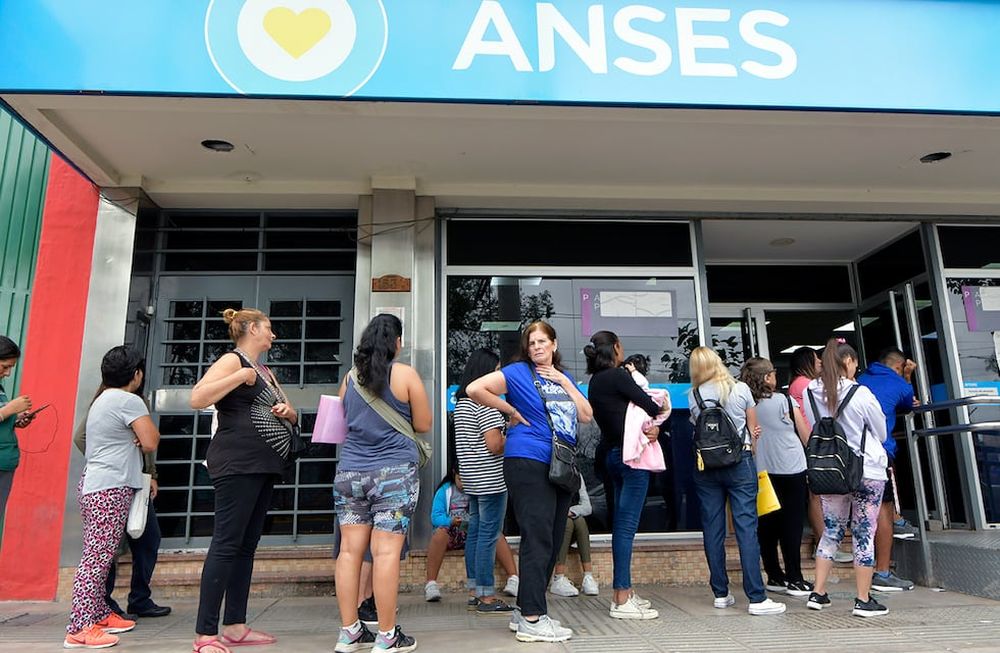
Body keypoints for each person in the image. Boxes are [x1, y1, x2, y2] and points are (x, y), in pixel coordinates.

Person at [468, 320, 593, 643]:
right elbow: (474, 389)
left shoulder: (562, 377)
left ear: (553, 344)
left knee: (551, 539)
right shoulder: (518, 372)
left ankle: (524, 608)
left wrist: (564, 380)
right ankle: (533, 619)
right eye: (531, 342)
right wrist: (509, 409)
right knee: (537, 538)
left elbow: (586, 415)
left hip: (561, 464)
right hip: (527, 459)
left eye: (542, 342)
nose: (537, 347)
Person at [191, 308, 297, 653]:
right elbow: (198, 398)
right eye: (268, 329)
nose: (273, 335)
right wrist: (239, 378)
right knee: (226, 544)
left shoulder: (265, 370)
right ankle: (206, 634)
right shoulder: (233, 361)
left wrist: (288, 413)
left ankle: (235, 624)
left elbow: (289, 410)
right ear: (252, 328)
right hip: (237, 464)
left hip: (263, 465)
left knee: (246, 546)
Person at [333, 313, 430, 653]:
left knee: (348, 552)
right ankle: (387, 636)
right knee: (385, 553)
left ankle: (350, 633)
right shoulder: (403, 374)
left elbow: (339, 426)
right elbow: (423, 423)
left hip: (350, 474)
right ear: (396, 342)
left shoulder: (349, 378)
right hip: (393, 475)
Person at [64, 347, 160, 650]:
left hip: (97, 484)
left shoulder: (103, 399)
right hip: (110, 488)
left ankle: (101, 613)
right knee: (96, 559)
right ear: (136, 374)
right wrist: (139, 435)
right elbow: (151, 441)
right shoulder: (128, 400)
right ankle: (79, 627)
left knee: (102, 557)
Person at [688, 346, 786, 616]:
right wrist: (750, 450)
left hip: (706, 467)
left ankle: (721, 593)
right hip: (739, 463)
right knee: (746, 527)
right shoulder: (740, 389)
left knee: (713, 529)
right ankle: (756, 597)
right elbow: (753, 430)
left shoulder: (693, 396)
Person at [803, 338, 891, 618]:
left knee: (831, 530)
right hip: (867, 470)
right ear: (848, 362)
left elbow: (814, 423)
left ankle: (817, 593)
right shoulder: (860, 393)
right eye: (855, 362)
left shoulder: (809, 392)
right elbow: (881, 431)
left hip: (831, 470)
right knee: (864, 532)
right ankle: (863, 599)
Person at [585, 331, 664, 619]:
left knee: (621, 524)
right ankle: (620, 596)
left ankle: (625, 592)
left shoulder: (595, 382)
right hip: (631, 458)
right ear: (616, 348)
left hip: (611, 457)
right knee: (626, 527)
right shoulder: (618, 376)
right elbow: (652, 406)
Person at [74, 397, 171, 620]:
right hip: (111, 484)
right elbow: (80, 437)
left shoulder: (132, 400)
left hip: (136, 481)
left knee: (148, 538)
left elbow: (147, 444)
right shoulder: (111, 401)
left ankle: (139, 599)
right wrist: (107, 456)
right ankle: (99, 609)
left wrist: (150, 474)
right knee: (103, 552)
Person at [740, 357, 813, 597]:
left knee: (767, 525)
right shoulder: (784, 400)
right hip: (790, 467)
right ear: (767, 378)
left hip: (761, 470)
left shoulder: (745, 403)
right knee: (791, 525)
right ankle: (795, 577)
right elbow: (803, 432)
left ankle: (773, 574)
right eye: (772, 373)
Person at [452, 348, 517, 614]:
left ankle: (474, 591)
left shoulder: (463, 403)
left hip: (472, 478)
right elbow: (494, 445)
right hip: (491, 479)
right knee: (488, 537)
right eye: (497, 370)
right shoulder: (486, 404)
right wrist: (511, 429)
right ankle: (486, 597)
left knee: (476, 535)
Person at [857, 347, 919, 592]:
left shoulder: (860, 380)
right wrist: (908, 376)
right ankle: (882, 571)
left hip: (853, 455)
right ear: (899, 366)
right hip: (879, 454)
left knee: (861, 511)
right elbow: (907, 403)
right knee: (884, 509)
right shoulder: (899, 382)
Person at [788, 346, 839, 561]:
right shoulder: (805, 385)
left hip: (808, 444)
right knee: (817, 495)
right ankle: (823, 543)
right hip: (811, 444)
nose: (820, 362)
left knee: (816, 495)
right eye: (816, 359)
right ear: (806, 362)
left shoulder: (797, 385)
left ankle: (823, 542)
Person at [0, 336, 34, 550]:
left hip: (6, 464)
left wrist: (17, 419)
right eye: (5, 366)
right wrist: (8, 410)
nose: (8, 373)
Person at [549, 473, 597, 597]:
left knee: (579, 520)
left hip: (570, 525)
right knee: (567, 523)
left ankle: (588, 576)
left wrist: (570, 511)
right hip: (550, 528)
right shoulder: (549, 474)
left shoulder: (577, 476)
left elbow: (587, 507)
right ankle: (558, 577)